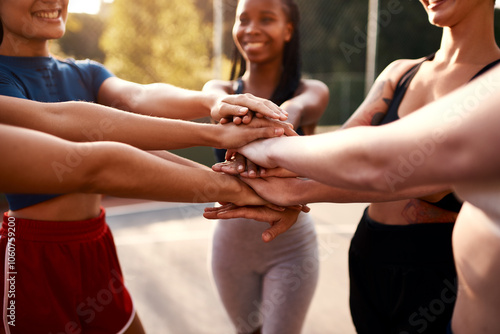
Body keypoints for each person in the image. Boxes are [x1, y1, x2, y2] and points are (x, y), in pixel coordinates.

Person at [210, 0, 500, 333]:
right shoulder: (400, 72)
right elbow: (339, 150)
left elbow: (430, 181)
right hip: (368, 260)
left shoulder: (494, 86)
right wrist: (265, 171)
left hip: (439, 273)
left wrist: (293, 185)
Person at [0, 0, 287, 333]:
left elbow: (137, 97)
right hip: (34, 260)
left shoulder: (84, 72)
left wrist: (211, 102)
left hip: (95, 244)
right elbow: (69, 126)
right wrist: (217, 137)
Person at [202, 0, 329, 333]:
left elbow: (299, 108)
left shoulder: (309, 92)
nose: (251, 28)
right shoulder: (222, 92)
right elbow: (213, 100)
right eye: (243, 19)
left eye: (266, 19)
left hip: (290, 246)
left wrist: (282, 115)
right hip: (231, 247)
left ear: (288, 31)